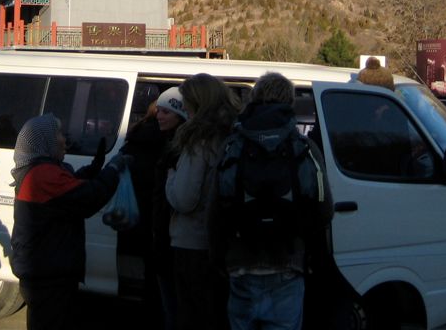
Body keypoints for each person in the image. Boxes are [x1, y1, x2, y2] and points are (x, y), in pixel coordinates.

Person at [211, 72, 334, 330]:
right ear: (290, 102)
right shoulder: (304, 147)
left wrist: (219, 257)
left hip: (241, 262)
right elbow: (324, 210)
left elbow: (215, 208)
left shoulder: (232, 145)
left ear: (254, 99)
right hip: (288, 264)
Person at [11, 114, 128, 330]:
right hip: (48, 274)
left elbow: (70, 186)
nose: (65, 139)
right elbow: (89, 197)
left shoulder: (39, 169)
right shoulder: (43, 174)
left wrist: (96, 167)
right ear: (46, 140)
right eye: (59, 134)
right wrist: (113, 169)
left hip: (44, 270)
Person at [165, 73, 238, 330]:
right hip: (223, 242)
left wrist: (170, 177)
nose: (183, 106)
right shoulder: (232, 134)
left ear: (198, 102)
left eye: (185, 101)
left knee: (192, 316)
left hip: (192, 243)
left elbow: (184, 198)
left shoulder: (199, 140)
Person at [119, 87, 188, 330]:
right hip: (160, 228)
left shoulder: (134, 137)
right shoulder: (175, 145)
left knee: (139, 292)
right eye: (161, 110)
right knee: (163, 294)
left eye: (166, 111)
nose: (161, 115)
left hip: (132, 224)